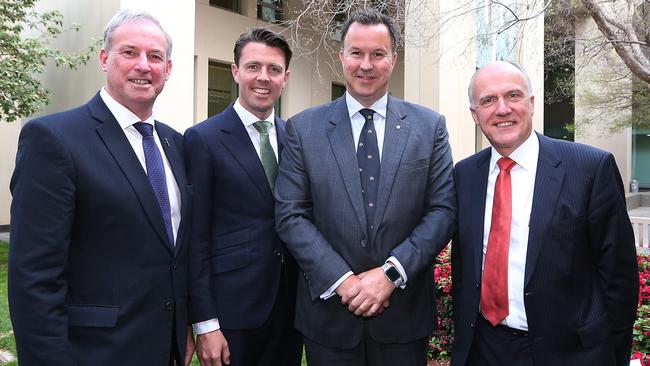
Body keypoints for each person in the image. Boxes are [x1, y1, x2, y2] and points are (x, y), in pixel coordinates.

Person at [9, 9, 193, 365]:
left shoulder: (175, 144)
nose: (144, 65)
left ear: (167, 70)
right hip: (93, 353)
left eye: (155, 56)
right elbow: (34, 279)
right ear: (105, 59)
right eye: (130, 52)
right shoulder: (54, 140)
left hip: (162, 349)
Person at [275, 9, 456, 366]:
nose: (366, 65)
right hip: (329, 318)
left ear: (394, 59)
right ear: (341, 56)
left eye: (378, 54)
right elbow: (291, 214)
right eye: (356, 53)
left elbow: (442, 210)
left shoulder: (429, 127)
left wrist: (391, 274)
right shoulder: (303, 129)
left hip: (403, 319)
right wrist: (342, 281)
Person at [451, 60, 639, 366]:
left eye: (513, 96)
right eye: (488, 100)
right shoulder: (464, 174)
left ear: (531, 103)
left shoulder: (590, 168)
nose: (502, 109)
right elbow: (463, 267)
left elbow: (619, 279)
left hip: (570, 353)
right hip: (483, 349)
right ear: (475, 114)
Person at [185, 28, 302, 366]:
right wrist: (205, 323)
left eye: (274, 69)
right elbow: (196, 238)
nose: (262, 77)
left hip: (291, 308)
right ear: (235, 71)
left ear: (286, 77)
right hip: (232, 313)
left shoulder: (294, 138)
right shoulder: (203, 140)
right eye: (253, 67)